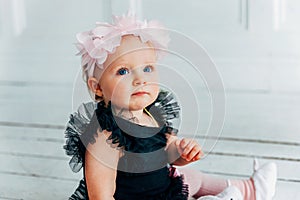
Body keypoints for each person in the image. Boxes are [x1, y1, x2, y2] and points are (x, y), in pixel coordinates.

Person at [64, 13, 277, 200]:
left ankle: (251, 190)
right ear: (98, 87)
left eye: (147, 68)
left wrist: (182, 151)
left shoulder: (151, 114)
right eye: (123, 71)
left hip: (164, 190)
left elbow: (167, 152)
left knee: (192, 178)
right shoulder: (104, 135)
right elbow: (100, 195)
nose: (140, 79)